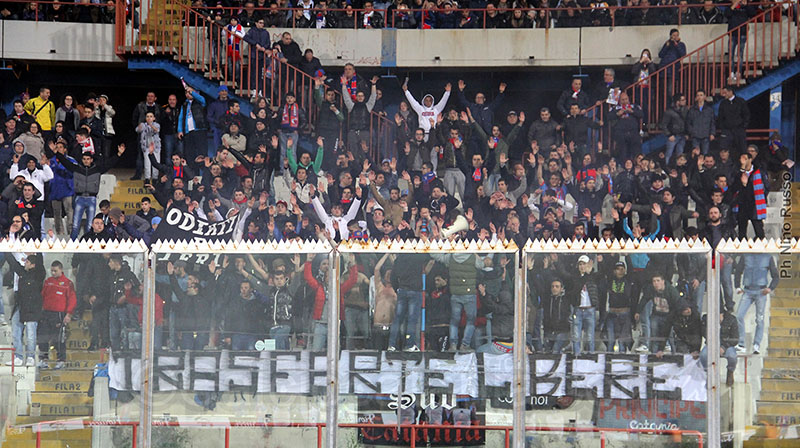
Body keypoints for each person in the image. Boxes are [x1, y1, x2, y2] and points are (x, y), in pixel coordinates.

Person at [55, 143, 125, 239]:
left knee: (90, 225)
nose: (86, 161)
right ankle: (72, 244)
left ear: (91, 160)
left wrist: (119, 154)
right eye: (84, 159)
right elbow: (65, 162)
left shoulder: (97, 169)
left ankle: (89, 243)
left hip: (91, 198)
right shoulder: (77, 168)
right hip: (79, 198)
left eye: (88, 159)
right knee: (75, 225)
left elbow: (109, 163)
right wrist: (57, 153)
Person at [4, 253, 45, 367]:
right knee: (16, 332)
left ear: (32, 265)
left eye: (27, 262)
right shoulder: (22, 273)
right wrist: (6, 249)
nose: (25, 263)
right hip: (20, 306)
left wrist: (38, 251)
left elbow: (40, 263)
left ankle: (30, 357)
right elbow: (13, 263)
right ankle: (18, 357)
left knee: (31, 335)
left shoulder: (39, 275)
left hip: (32, 309)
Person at [734, 254, 778, 354]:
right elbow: (738, 271)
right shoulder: (746, 256)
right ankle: (741, 344)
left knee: (759, 319)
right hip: (747, 290)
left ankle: (756, 344)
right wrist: (737, 286)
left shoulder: (768, 257)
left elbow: (775, 276)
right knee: (739, 315)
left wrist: (770, 288)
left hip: (761, 291)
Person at [387, 253, 431, 352]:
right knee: (412, 319)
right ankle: (410, 344)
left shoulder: (399, 259)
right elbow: (429, 256)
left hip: (402, 290)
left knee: (397, 319)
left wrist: (397, 289)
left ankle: (391, 344)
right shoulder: (418, 256)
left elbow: (393, 277)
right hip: (415, 291)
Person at [39, 260, 77, 369]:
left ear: (61, 269)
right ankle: (44, 359)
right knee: (43, 337)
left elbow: (72, 299)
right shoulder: (48, 281)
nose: (53, 273)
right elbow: (42, 295)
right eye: (52, 271)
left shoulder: (67, 283)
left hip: (59, 314)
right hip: (46, 313)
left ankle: (61, 360)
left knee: (59, 338)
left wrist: (68, 314)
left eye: (55, 271)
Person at [635, 273, 683, 354]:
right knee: (655, 336)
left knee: (670, 337)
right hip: (656, 315)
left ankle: (673, 354)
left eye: (658, 281)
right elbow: (644, 299)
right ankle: (654, 355)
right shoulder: (651, 289)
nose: (656, 283)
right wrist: (638, 311)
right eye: (654, 281)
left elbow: (678, 304)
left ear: (663, 281)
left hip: (668, 316)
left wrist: (675, 318)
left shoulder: (671, 291)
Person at [730, 151, 766, 239]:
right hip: (741, 204)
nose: (743, 161)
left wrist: (747, 185)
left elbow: (766, 187)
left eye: (745, 159)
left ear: (750, 159)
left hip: (755, 203)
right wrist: (742, 170)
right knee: (742, 232)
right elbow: (734, 187)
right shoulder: (737, 172)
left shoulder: (758, 171)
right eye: (742, 159)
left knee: (759, 231)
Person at [700, 311, 739, 386]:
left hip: (727, 345)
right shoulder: (706, 319)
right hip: (712, 344)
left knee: (732, 356)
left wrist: (724, 347)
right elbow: (705, 334)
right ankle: (709, 373)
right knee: (703, 355)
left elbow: (735, 338)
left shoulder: (731, 319)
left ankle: (730, 371)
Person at [342, 76, 380, 154]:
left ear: (364, 97)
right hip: (353, 132)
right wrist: (344, 85)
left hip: (364, 132)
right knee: (353, 153)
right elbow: (346, 98)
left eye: (361, 96)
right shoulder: (351, 106)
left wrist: (373, 85)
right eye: (358, 96)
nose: (360, 97)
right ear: (356, 97)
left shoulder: (368, 106)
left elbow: (373, 97)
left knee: (364, 153)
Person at [177, 85, 208, 169]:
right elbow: (180, 118)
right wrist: (180, 130)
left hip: (199, 129)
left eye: (189, 92)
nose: (188, 94)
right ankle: (192, 172)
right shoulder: (184, 104)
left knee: (201, 153)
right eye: (186, 93)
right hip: (188, 132)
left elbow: (203, 99)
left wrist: (192, 92)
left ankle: (203, 171)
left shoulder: (199, 102)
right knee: (189, 153)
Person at [718, 84, 750, 157]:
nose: (723, 95)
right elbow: (720, 117)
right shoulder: (723, 103)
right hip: (727, 131)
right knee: (724, 149)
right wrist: (723, 127)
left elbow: (746, 114)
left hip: (739, 130)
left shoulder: (741, 101)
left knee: (742, 149)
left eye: (725, 92)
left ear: (730, 92)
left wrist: (743, 126)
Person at [541, 278, 572, 353]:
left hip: (562, 330)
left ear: (562, 288)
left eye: (557, 286)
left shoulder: (566, 300)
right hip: (549, 330)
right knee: (548, 352)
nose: (554, 288)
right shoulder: (547, 300)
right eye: (553, 286)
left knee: (556, 351)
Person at [243, 17, 270, 97]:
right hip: (254, 56)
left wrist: (264, 48)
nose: (262, 25)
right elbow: (246, 37)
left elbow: (268, 43)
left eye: (263, 23)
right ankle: (254, 89)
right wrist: (255, 44)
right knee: (254, 73)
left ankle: (260, 90)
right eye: (260, 23)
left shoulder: (266, 32)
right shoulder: (252, 31)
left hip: (262, 56)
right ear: (256, 23)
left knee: (261, 75)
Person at [660, 93, 688, 165]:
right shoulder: (669, 111)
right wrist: (669, 135)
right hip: (673, 135)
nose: (685, 101)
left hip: (682, 135)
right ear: (677, 102)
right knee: (668, 154)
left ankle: (679, 168)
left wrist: (687, 133)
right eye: (683, 100)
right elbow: (664, 124)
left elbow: (687, 122)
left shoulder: (685, 110)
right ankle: (667, 167)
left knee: (680, 154)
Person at [658, 29, 686, 99]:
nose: (675, 37)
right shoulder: (667, 44)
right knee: (663, 91)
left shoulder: (681, 44)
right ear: (670, 36)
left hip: (673, 69)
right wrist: (666, 46)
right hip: (664, 69)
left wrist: (676, 45)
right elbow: (660, 55)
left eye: (677, 35)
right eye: (674, 35)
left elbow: (683, 54)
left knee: (670, 90)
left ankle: (670, 103)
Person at [686, 89, 716, 155]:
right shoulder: (692, 109)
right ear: (696, 97)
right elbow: (688, 122)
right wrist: (692, 132)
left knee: (705, 154)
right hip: (695, 136)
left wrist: (712, 133)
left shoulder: (709, 109)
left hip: (706, 135)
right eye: (698, 95)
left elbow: (712, 122)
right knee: (695, 154)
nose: (699, 97)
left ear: (705, 96)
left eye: (701, 95)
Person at [135, 112, 161, 183]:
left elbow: (157, 130)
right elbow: (137, 130)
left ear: (154, 118)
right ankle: (147, 178)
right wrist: (140, 127)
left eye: (151, 116)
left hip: (155, 147)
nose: (149, 118)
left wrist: (150, 125)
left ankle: (155, 178)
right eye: (147, 116)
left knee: (156, 162)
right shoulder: (143, 125)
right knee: (147, 163)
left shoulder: (156, 125)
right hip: (146, 146)